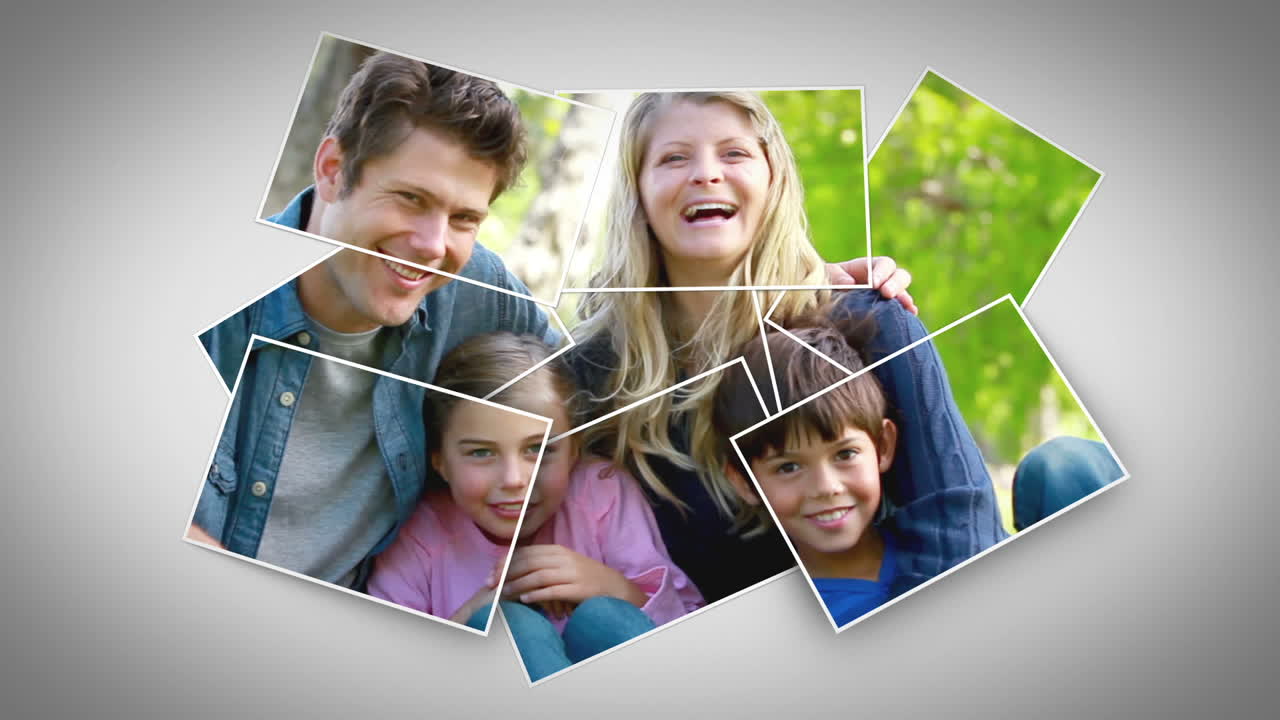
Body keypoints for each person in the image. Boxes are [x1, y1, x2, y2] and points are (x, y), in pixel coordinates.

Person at [570, 91, 1001, 603]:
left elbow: (958, 524)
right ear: (637, 191)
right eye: (674, 157)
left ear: (773, 178)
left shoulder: (872, 322)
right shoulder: (597, 371)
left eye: (734, 154)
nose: (707, 174)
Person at [187, 52, 555, 591]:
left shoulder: (481, 294)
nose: (432, 246)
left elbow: (595, 413)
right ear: (334, 171)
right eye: (411, 198)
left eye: (463, 219)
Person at [368, 333, 702, 682]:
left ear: (574, 450)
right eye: (481, 453)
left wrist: (614, 587)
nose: (514, 479)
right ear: (440, 462)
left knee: (603, 617)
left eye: (539, 450)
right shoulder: (420, 535)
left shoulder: (600, 494)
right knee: (506, 628)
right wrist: (473, 613)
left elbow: (692, 632)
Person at [712, 306, 906, 627]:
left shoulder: (943, 543)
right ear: (745, 483)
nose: (826, 487)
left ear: (882, 446)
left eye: (845, 455)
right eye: (788, 467)